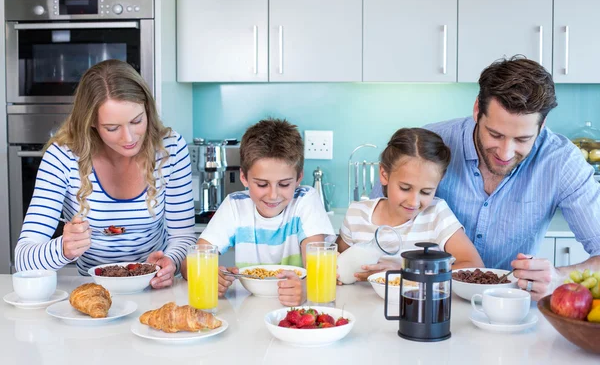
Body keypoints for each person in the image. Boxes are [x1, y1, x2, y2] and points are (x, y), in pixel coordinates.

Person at [371, 56, 600, 300]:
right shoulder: (429, 147)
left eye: (522, 140)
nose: (505, 153)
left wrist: (559, 277)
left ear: (542, 126)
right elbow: (376, 225)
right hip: (424, 299)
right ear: (477, 110)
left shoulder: (563, 162)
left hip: (511, 308)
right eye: (495, 134)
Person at [14, 59, 197, 289]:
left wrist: (169, 262)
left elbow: (183, 237)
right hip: (91, 291)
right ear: (91, 123)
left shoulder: (170, 149)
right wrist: (63, 248)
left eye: (137, 121)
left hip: (154, 290)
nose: (129, 138)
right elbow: (23, 259)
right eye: (112, 128)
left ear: (147, 109)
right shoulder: (62, 158)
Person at [181, 118, 335, 306]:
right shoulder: (236, 205)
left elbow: (316, 268)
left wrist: (305, 288)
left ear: (299, 178)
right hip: (249, 307)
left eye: (284, 184)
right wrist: (206, 274)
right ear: (244, 178)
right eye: (262, 184)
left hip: (295, 310)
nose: (273, 195)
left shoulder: (305, 200)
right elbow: (188, 264)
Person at [338, 128, 484, 283]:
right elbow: (338, 265)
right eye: (405, 188)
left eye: (426, 192)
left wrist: (405, 272)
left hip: (419, 305)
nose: (414, 202)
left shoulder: (436, 214)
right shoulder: (357, 214)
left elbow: (475, 266)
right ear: (384, 174)